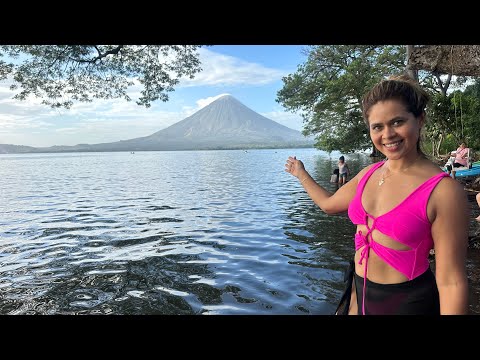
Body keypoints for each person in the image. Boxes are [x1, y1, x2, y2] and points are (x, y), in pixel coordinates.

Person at [284, 74, 469, 315]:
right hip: (359, 293)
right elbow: (329, 205)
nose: (388, 134)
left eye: (398, 122)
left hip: (408, 303)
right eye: (378, 126)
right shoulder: (368, 174)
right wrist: (301, 174)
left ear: (420, 120)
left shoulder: (443, 191)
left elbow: (451, 283)